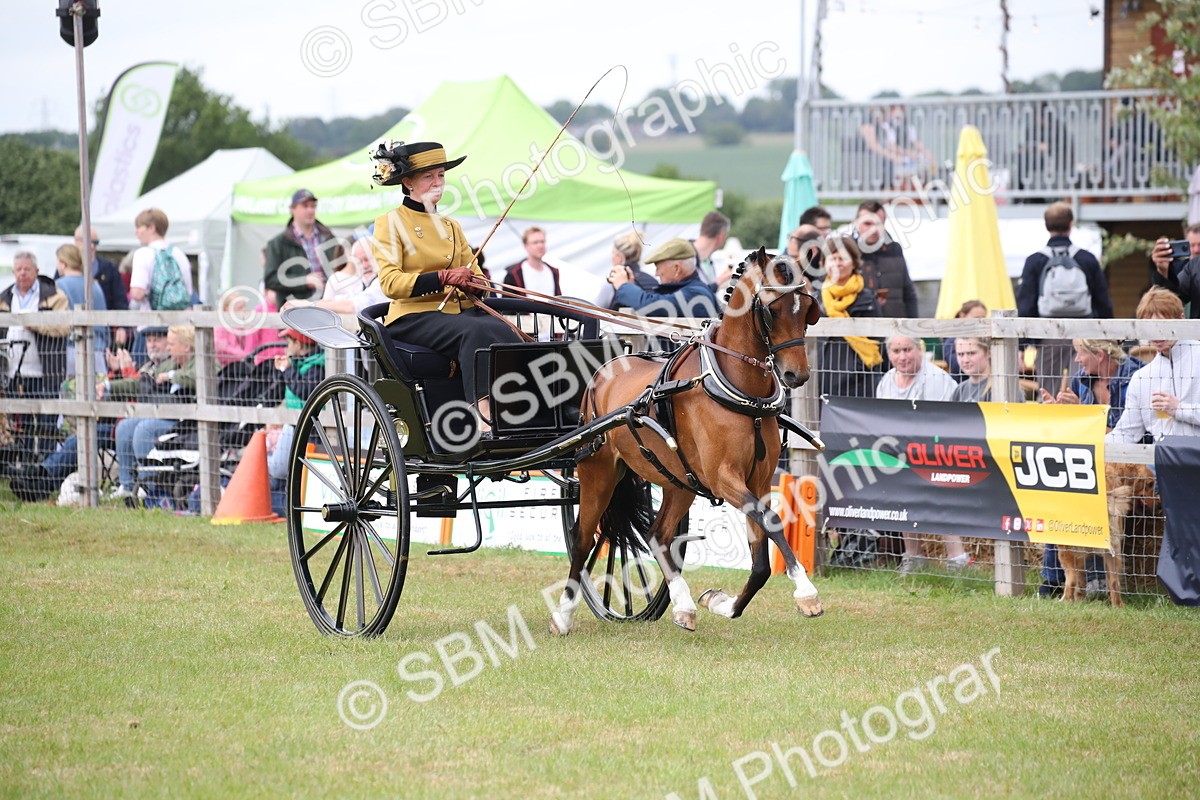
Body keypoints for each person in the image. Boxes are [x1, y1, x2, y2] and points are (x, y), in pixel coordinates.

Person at [370, 140, 523, 417]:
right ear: (408, 182)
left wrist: (472, 283)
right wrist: (442, 277)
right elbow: (391, 283)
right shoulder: (390, 223)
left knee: (507, 331)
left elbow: (478, 279)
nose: (437, 182)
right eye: (428, 176)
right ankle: (483, 414)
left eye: (441, 175)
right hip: (412, 317)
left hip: (456, 315)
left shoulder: (452, 226)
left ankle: (517, 409)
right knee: (475, 332)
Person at [1039, 338, 1146, 596]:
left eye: (1079, 354)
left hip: (1129, 457)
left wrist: (1085, 416)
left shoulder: (1137, 376)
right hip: (1093, 454)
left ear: (1099, 354)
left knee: (1097, 485)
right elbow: (1077, 430)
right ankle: (1056, 579)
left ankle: (1097, 579)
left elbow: (1131, 434)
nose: (1076, 360)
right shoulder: (1081, 379)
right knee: (1060, 486)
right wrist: (1061, 413)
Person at [876, 335, 968, 574]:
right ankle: (913, 557)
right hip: (899, 456)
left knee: (939, 495)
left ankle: (957, 560)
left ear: (919, 349)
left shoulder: (936, 379)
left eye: (908, 349)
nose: (902, 356)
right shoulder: (886, 381)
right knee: (901, 490)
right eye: (896, 351)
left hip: (937, 453)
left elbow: (947, 423)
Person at [1017, 202, 1114, 394]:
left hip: (1047, 334)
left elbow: (1026, 304)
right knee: (1081, 388)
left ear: (1046, 226)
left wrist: (1023, 345)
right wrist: (1107, 335)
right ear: (1071, 224)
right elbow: (1102, 301)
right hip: (1084, 333)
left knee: (1048, 391)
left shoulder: (1035, 261)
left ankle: (1050, 422)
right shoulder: (1086, 259)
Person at [109, 325, 196, 500]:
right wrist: (108, 386)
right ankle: (127, 486)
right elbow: (142, 383)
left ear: (187, 346)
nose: (168, 348)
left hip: (187, 423)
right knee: (125, 426)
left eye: (171, 344)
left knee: (145, 428)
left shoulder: (202, 362)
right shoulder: (170, 362)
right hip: (167, 416)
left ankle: (149, 488)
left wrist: (172, 376)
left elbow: (195, 377)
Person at [1107, 288, 1200, 444]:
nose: (1157, 335)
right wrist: (1090, 443)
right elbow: (1127, 433)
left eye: (1163, 326)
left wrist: (1179, 409)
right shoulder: (1141, 378)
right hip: (1161, 464)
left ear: (1182, 319)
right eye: (1150, 328)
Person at [266, 328, 326, 515]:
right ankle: (285, 512)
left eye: (289, 342)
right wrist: (283, 371)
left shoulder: (316, 366)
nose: (286, 347)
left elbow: (304, 391)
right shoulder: (298, 363)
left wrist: (288, 370)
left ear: (299, 344)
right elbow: (279, 391)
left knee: (279, 469)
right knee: (285, 473)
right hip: (293, 424)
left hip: (309, 428)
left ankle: (288, 512)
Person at [818, 235, 883, 398]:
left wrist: (858, 368)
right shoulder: (815, 300)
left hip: (860, 380)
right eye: (832, 258)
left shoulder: (868, 298)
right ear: (824, 263)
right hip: (823, 377)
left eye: (843, 258)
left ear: (854, 263)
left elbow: (879, 337)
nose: (837, 263)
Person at [0, 252, 70, 401]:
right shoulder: (5, 298)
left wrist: (37, 326)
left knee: (47, 419)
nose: (22, 273)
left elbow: (64, 327)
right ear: (13, 272)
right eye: (18, 269)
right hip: (12, 372)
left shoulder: (55, 296)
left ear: (37, 271)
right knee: (19, 420)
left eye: (27, 269)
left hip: (45, 371)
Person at [608, 237, 718, 319]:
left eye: (658, 267)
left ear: (676, 269)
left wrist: (624, 286)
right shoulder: (695, 290)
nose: (656, 273)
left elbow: (652, 305)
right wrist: (631, 287)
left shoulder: (696, 293)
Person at [264, 189, 336, 307]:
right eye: (305, 206)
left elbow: (340, 270)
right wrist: (303, 281)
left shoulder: (329, 237)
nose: (310, 210)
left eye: (313, 206)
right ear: (292, 209)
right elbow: (271, 279)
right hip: (293, 311)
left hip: (327, 307)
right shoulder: (277, 243)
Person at [854, 200, 919, 318]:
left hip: (896, 329)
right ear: (856, 224)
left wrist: (913, 330)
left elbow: (909, 294)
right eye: (867, 223)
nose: (873, 229)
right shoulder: (846, 253)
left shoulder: (895, 249)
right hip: (860, 331)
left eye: (878, 223)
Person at [54, 243, 109, 376]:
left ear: (63, 263)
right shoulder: (95, 285)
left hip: (72, 348)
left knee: (71, 392)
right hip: (97, 348)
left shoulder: (59, 285)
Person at [129, 208, 195, 311]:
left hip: (151, 321)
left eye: (139, 227)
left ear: (151, 228)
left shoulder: (142, 254)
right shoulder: (179, 254)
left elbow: (137, 293)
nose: (136, 232)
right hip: (178, 324)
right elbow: (188, 292)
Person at [1149, 223, 1200, 318]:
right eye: (1192, 245)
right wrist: (1163, 272)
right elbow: (1172, 300)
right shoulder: (1194, 267)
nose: (1196, 250)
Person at [596, 231, 656, 310]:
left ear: (619, 257)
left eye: (613, 254)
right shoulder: (653, 281)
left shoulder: (612, 282)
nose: (612, 258)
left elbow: (594, 311)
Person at [74, 225, 128, 313]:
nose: (92, 246)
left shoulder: (109, 268)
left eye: (95, 242)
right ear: (76, 241)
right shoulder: (67, 268)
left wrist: (122, 326)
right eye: (88, 241)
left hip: (104, 322)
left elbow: (120, 300)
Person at [503, 227, 561, 297]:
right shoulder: (514, 273)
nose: (540, 245)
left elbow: (559, 301)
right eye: (535, 242)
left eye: (542, 241)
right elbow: (507, 304)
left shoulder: (553, 272)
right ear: (526, 246)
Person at [943, 300, 988, 381]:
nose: (981, 323)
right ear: (962, 316)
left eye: (983, 319)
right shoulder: (950, 341)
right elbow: (957, 366)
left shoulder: (988, 339)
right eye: (976, 319)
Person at [690, 211, 731, 288]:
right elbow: (692, 294)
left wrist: (718, 283)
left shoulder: (706, 259)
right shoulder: (686, 258)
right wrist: (717, 283)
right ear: (721, 236)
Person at [950, 337, 992, 402]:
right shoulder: (959, 390)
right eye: (960, 354)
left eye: (971, 353)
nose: (965, 360)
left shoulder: (995, 389)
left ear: (988, 352)